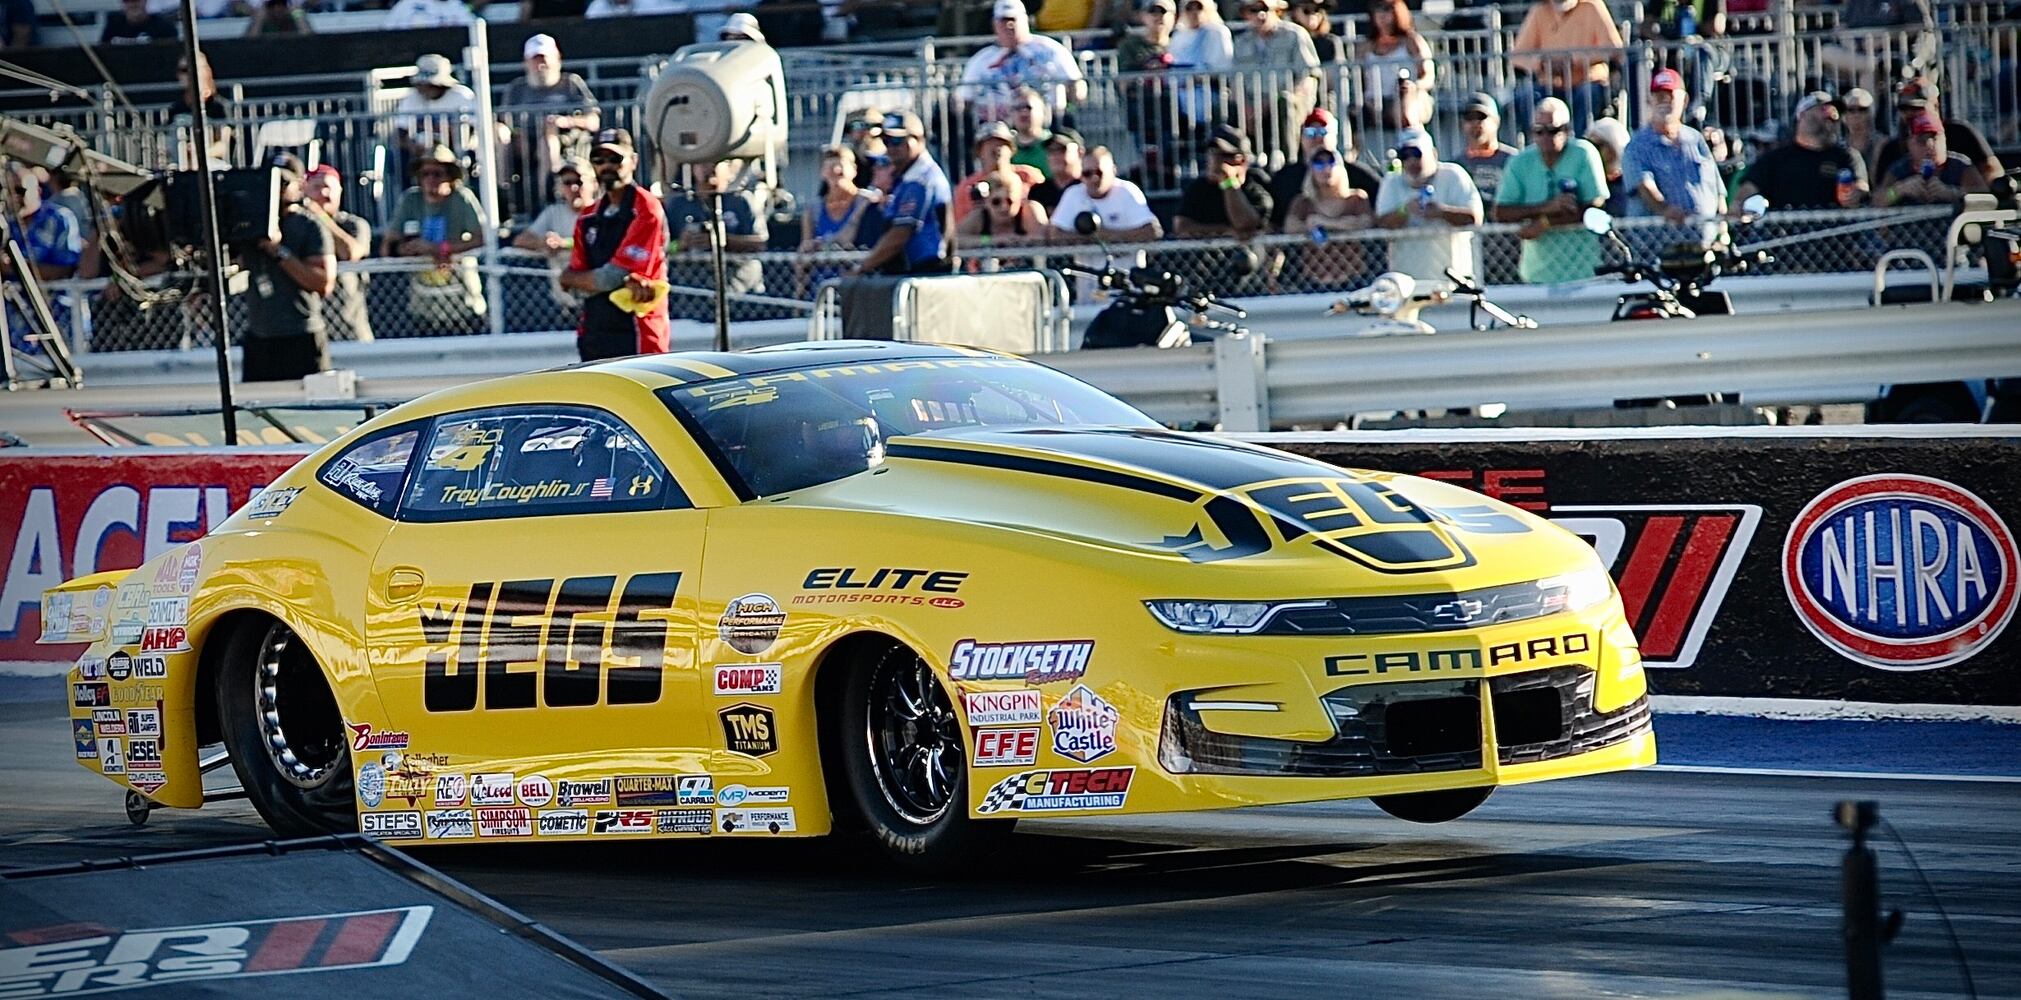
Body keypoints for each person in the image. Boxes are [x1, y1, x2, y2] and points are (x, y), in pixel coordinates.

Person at [559, 128, 669, 361]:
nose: (606, 166)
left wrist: (571, 278)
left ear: (633, 161)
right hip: (595, 331)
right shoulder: (588, 217)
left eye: (615, 159)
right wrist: (575, 279)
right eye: (599, 160)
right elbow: (577, 282)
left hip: (639, 334)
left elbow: (609, 277)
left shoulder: (646, 208)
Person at [239, 154, 335, 382]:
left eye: (282, 183)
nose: (275, 190)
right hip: (260, 337)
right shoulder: (245, 223)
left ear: (299, 185)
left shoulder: (308, 226)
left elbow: (323, 283)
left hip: (301, 336)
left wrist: (278, 250)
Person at [1493, 97, 1609, 285]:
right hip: (1536, 274)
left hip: (1584, 272)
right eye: (1539, 131)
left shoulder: (1584, 153)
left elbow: (1594, 206)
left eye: (1553, 130)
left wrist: (1545, 223)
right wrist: (1548, 208)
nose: (1546, 137)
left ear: (1567, 130)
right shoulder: (1520, 162)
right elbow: (1501, 211)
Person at [382, 145, 488, 335]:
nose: (431, 179)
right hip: (423, 305)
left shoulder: (462, 198)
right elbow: (388, 244)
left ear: (450, 177)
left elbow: (482, 238)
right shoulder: (410, 200)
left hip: (463, 302)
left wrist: (441, 248)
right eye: (425, 174)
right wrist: (404, 249)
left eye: (437, 174)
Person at [501, 34, 601, 220]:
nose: (540, 65)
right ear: (526, 62)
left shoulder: (571, 83)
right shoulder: (516, 88)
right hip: (522, 141)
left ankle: (546, 196)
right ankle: (502, 196)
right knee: (498, 133)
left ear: (557, 59)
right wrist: (512, 133)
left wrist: (566, 121)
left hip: (566, 140)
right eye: (535, 59)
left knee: (548, 138)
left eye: (544, 59)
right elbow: (505, 120)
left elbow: (594, 120)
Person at [1372, 127, 1483, 288]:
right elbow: (1381, 222)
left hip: (1455, 280)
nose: (1411, 162)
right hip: (1408, 284)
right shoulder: (1391, 182)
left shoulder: (1454, 175)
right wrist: (1405, 211)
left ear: (1434, 154)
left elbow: (1475, 218)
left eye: (1417, 155)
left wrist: (1442, 212)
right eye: (1405, 156)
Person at [663, 158, 770, 317]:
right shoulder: (678, 205)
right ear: (693, 168)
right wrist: (680, 244)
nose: (710, 168)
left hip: (742, 293)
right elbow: (661, 247)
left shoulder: (742, 201)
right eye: (703, 163)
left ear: (729, 169)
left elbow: (760, 243)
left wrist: (723, 241)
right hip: (693, 298)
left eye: (717, 163)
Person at [957, 0, 1087, 129]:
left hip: (1048, 123)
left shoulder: (1050, 49)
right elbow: (964, 99)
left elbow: (1076, 85)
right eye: (1003, 21)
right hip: (997, 128)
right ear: (994, 24)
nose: (1008, 25)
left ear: (1025, 20)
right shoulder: (982, 59)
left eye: (1013, 20)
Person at [854, 111, 953, 276]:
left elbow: (901, 234)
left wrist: (863, 267)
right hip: (913, 273)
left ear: (919, 139)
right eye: (886, 141)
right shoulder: (906, 178)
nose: (891, 147)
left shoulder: (921, 179)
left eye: (898, 140)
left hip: (928, 274)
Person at [1732, 93, 1866, 211]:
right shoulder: (1776, 159)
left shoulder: (1846, 156)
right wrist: (1738, 204)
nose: (1832, 115)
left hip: (1836, 235)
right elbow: (1749, 188)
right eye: (1824, 109)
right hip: (1786, 235)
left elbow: (1861, 186)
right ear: (1802, 115)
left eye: (1835, 112)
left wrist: (1856, 193)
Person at [1509, 0, 1624, 134]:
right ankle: (1537, 147)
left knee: (1588, 95)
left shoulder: (1592, 6)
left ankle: (1580, 144)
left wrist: (1574, 61)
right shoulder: (1539, 11)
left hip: (1587, 82)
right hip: (1550, 85)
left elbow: (1614, 48)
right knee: (1527, 96)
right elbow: (1517, 56)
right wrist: (1543, 64)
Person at [1623, 69, 1725, 221]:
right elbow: (1644, 186)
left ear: (1684, 101)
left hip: (1705, 239)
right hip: (1659, 241)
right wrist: (1665, 209)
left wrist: (1722, 227)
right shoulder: (1637, 145)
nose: (1664, 101)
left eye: (1670, 96)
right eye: (1659, 96)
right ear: (1650, 100)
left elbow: (1716, 186)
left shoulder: (1695, 138)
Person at [1, 163, 82, 354]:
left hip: (55, 318)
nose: (15, 197)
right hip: (12, 329)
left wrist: (14, 268)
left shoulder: (59, 218)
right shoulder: (6, 224)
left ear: (37, 190)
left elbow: (66, 269)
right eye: (7, 191)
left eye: (21, 190)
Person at [1233, 0, 1321, 168]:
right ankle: (1240, 168)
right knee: (1225, 109)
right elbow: (1235, 80)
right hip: (1253, 103)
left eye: (1265, 9)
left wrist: (1279, 99)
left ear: (1277, 11)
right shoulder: (1241, 41)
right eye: (1254, 10)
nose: (1261, 15)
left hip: (1289, 99)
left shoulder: (1295, 34)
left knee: (1285, 103)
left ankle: (1290, 166)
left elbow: (1308, 76)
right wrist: (1245, 106)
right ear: (1246, 14)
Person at [1870, 78, 2001, 186]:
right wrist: (1899, 191)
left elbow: (1992, 172)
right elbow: (1879, 195)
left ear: (1935, 106)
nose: (1910, 113)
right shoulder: (1891, 148)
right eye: (1904, 108)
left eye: (1917, 107)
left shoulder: (1961, 133)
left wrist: (1958, 194)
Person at [1270, 108, 1379, 232]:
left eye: (1323, 132)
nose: (1317, 138)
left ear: (1335, 137)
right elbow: (1281, 224)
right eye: (1310, 133)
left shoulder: (1359, 178)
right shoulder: (1285, 179)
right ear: (1301, 138)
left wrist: (1326, 224)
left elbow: (1372, 217)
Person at [302, 165, 374, 343]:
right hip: (311, 327)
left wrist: (320, 217)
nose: (324, 193)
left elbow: (351, 252)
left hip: (349, 327)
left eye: (330, 187)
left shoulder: (354, 224)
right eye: (317, 187)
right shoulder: (299, 226)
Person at [800, 146, 881, 292]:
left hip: (860, 284)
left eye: (841, 166)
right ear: (822, 173)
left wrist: (823, 244)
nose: (836, 171)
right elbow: (805, 248)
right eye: (829, 167)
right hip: (821, 287)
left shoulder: (867, 201)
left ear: (854, 170)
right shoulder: (813, 209)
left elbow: (848, 238)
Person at [1174, 125, 1272, 239]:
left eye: (1224, 155)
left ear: (1242, 160)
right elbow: (1181, 227)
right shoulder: (1198, 188)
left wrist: (1229, 182)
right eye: (1211, 153)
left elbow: (1244, 224)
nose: (1215, 160)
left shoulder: (1257, 190)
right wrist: (1225, 231)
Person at [1876, 111, 1991, 207]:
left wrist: (1952, 193)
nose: (1930, 145)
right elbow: (1876, 202)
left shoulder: (1960, 166)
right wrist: (1898, 190)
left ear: (1945, 140)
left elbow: (1987, 200)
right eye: (1922, 140)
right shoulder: (1899, 169)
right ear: (1909, 144)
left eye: (1934, 138)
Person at [1115, 1, 1177, 178]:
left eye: (1164, 12)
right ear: (1142, 16)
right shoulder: (1131, 45)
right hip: (1145, 106)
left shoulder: (1181, 43)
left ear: (1174, 16)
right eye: (1153, 11)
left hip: (1177, 105)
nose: (1159, 17)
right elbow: (1124, 82)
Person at [1049, 146, 1162, 242]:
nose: (1094, 178)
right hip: (1084, 267)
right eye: (1087, 173)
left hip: (1128, 267)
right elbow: (1055, 234)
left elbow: (1152, 231)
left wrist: (1105, 237)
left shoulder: (1127, 191)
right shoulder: (1073, 194)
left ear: (1113, 171)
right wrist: (1097, 239)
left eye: (1099, 172)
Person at [1356, 0, 1433, 130]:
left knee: (1405, 107)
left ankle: (1410, 143)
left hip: (1411, 98)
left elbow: (1428, 76)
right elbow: (1358, 79)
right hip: (1374, 102)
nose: (1382, 14)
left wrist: (1413, 87)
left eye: (1387, 8)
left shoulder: (1411, 41)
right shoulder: (1365, 46)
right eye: (1378, 8)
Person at [394, 55, 479, 169]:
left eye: (430, 85)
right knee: (398, 158)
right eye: (421, 84)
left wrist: (442, 147)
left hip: (457, 151)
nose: (424, 88)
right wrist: (412, 147)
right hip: (419, 154)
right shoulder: (411, 98)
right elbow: (400, 132)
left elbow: (470, 130)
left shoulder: (461, 96)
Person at [954, 121, 1047, 221]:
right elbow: (960, 226)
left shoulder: (1030, 177)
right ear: (979, 151)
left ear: (1012, 150)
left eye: (1003, 143)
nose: (997, 147)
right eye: (989, 143)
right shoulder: (966, 188)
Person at [1169, 0, 1234, 137]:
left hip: (1212, 89)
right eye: (1189, 8)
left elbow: (1223, 67)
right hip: (1181, 92)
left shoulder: (1218, 32)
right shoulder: (1178, 36)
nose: (1194, 13)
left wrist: (1199, 78)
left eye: (1199, 8)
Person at [956, 169, 1050, 251]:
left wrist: (1017, 240)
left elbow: (1042, 238)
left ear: (1020, 199)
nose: (1004, 207)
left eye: (1010, 201)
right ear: (986, 202)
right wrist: (991, 240)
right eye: (996, 202)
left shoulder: (1030, 210)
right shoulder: (980, 215)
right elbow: (957, 239)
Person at [168, 53, 231, 168]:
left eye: (188, 70)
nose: (184, 75)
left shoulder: (218, 106)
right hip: (180, 167)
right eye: (181, 70)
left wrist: (199, 153)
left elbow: (223, 144)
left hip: (211, 166)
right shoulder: (175, 107)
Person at [1455, 92, 1518, 205]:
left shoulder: (1515, 161)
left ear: (1496, 121)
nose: (1475, 123)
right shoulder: (1456, 166)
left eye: (1481, 117)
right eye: (1469, 118)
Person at [1030, 127, 1084, 213]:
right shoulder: (1039, 192)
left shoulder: (1088, 188)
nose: (1055, 156)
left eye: (1061, 150)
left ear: (1080, 153)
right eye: (1051, 151)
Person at [1586, 116, 1631, 217]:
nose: (1592, 150)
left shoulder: (1627, 182)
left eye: (1596, 145)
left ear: (1613, 147)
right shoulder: (1586, 181)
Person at [1006, 86, 1055, 174]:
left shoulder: (1054, 146)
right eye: (1018, 108)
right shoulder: (1006, 149)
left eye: (1028, 108)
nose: (1023, 113)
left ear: (1043, 112)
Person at [1841, 88, 1884, 183]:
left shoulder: (1883, 144)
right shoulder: (1840, 147)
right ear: (1844, 115)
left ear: (1871, 113)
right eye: (1851, 110)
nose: (1857, 115)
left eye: (1862, 109)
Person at [1291, 0, 1347, 66]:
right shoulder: (1290, 41)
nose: (1312, 15)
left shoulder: (1331, 41)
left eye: (1317, 10)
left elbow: (1338, 71)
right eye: (1306, 10)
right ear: (1295, 14)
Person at [100, 0, 179, 44]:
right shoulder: (112, 28)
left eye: (136, 0)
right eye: (127, 1)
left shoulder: (164, 28)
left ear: (145, 1)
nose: (133, 5)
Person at [385, 0, 475, 28]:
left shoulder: (457, 5)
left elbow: (472, 32)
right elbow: (386, 31)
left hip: (448, 64)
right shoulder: (407, 4)